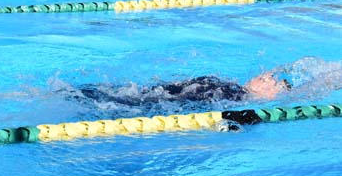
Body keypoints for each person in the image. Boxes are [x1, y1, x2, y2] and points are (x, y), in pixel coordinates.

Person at [76, 70, 292, 108]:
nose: (267, 77)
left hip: (157, 105)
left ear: (271, 96)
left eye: (274, 82)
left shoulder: (238, 100)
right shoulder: (233, 88)